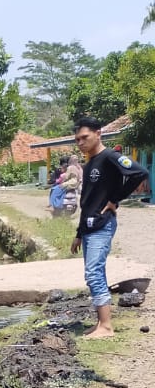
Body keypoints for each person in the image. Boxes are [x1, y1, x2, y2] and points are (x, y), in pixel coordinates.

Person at [70, 116, 150, 339]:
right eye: (77, 140)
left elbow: (139, 173)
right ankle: (100, 324)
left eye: (84, 137)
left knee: (93, 274)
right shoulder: (89, 163)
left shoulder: (110, 157)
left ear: (98, 134)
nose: (80, 143)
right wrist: (78, 234)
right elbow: (87, 201)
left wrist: (115, 199)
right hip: (89, 225)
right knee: (95, 274)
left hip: (102, 225)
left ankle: (106, 327)